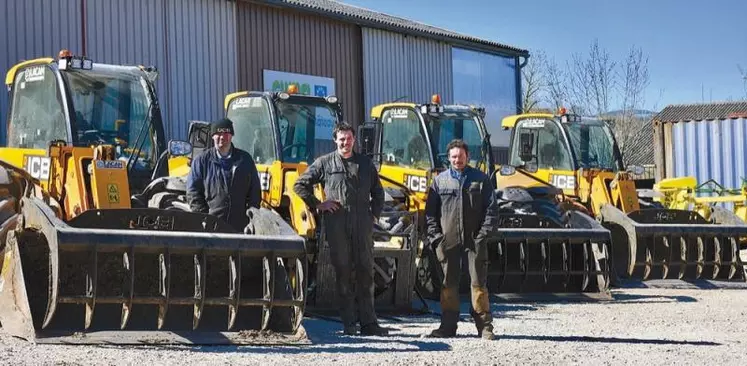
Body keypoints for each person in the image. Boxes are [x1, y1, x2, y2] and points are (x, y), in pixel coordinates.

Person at [293, 121, 388, 336]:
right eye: (342, 139)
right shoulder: (324, 163)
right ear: (335, 140)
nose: (346, 142)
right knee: (343, 273)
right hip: (337, 227)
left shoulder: (365, 164)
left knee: (365, 273)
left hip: (362, 226)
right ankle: (349, 324)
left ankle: (369, 324)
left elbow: (378, 192)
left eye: (349, 138)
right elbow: (299, 184)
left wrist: (373, 215)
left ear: (354, 139)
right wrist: (319, 204)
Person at [424, 138, 498, 340]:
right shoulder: (440, 182)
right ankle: (448, 327)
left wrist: (483, 235)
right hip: (448, 242)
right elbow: (430, 215)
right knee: (448, 284)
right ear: (448, 158)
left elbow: (491, 211)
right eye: (454, 156)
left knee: (478, 284)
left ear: (467, 157)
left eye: (461, 156)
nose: (458, 160)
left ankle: (485, 327)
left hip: (475, 241)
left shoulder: (480, 180)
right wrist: (437, 239)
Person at [186, 118, 262, 232]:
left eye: (226, 133)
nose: (223, 137)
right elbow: (193, 192)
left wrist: (251, 217)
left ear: (231, 136)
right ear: (213, 136)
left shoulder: (245, 160)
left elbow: (255, 191)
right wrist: (204, 218)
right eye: (218, 133)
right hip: (212, 229)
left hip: (240, 228)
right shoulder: (201, 161)